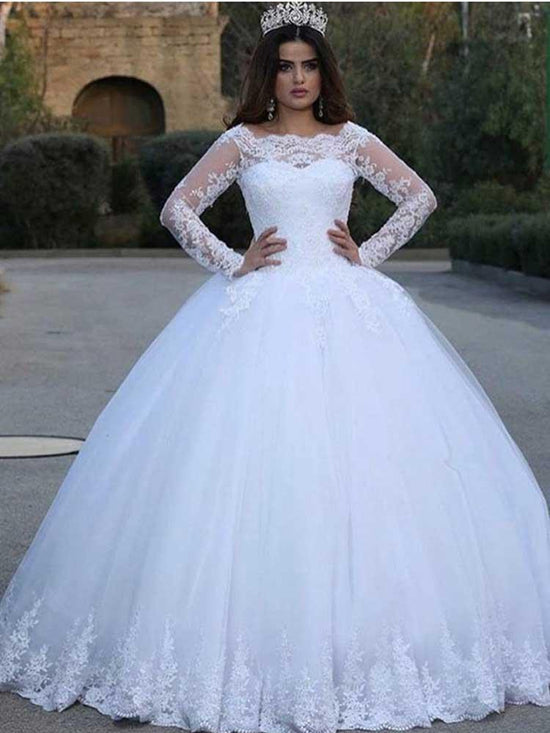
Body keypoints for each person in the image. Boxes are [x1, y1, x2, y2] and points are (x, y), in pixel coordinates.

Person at [1, 2, 550, 731]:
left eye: (309, 65)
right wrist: (234, 262)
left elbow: (418, 195)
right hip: (258, 310)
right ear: (268, 73)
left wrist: (368, 252)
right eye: (286, 66)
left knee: (372, 464)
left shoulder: (350, 139)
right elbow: (178, 209)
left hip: (350, 309)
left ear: (324, 73)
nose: (298, 78)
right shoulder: (243, 141)